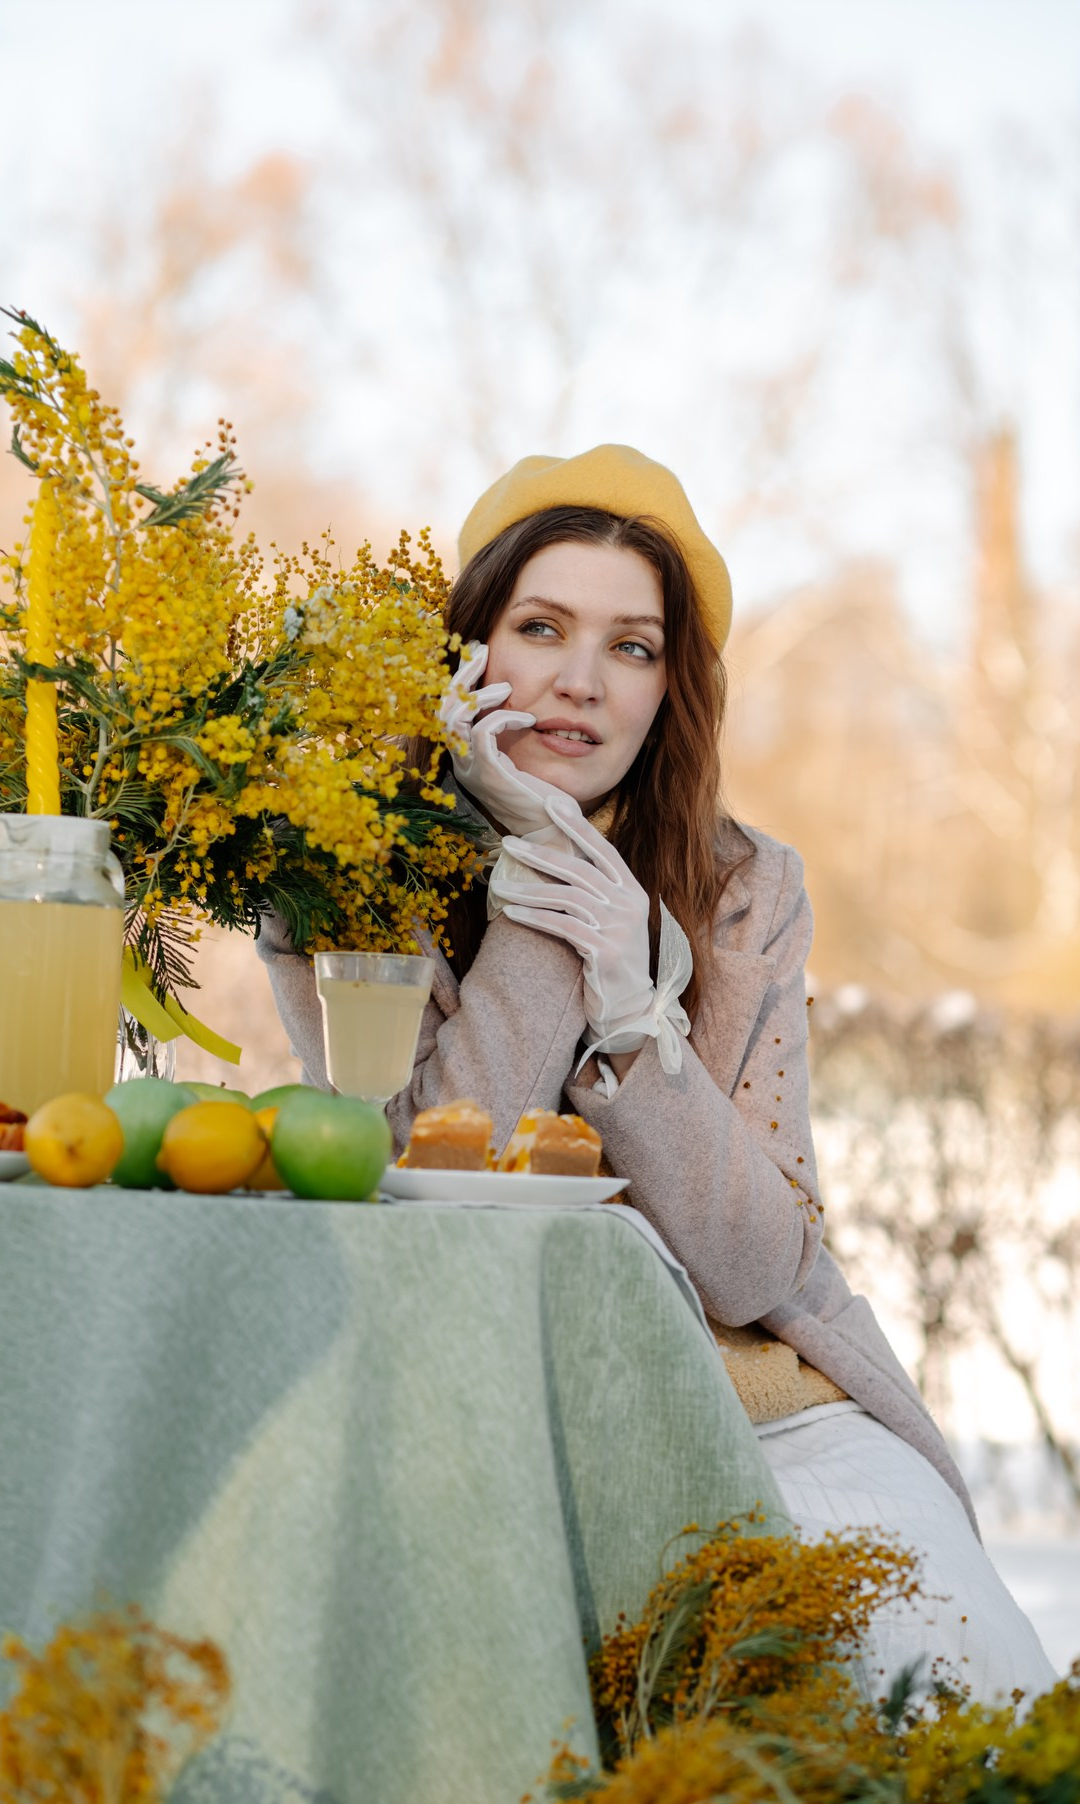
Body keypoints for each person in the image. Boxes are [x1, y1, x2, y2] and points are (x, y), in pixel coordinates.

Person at [259, 443, 1056, 1702]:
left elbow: (759, 1264)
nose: (580, 681)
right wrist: (545, 889)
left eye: (632, 645)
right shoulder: (336, 864)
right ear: (463, 652)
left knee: (939, 1675)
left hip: (769, 1409)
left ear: (667, 686)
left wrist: (640, 1014)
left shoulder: (746, 888)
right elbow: (422, 1173)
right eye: (540, 627)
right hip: (502, 1413)